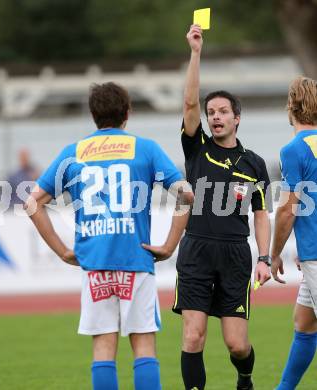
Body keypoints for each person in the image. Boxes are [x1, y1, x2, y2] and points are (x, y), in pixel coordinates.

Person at [24, 82, 194, 390]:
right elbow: (186, 195)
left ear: (93, 115)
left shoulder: (72, 152)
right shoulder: (146, 148)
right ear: (127, 113)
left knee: (103, 347)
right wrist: (170, 245)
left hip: (95, 263)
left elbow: (32, 203)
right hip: (136, 259)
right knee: (143, 346)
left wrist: (64, 251)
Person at [173, 25, 272, 390]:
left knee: (237, 343)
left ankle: (244, 377)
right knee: (193, 336)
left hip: (235, 255)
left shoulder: (254, 164)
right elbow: (188, 104)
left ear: (236, 118)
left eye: (222, 111)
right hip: (197, 251)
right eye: (210, 111)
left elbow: (261, 214)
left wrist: (264, 257)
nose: (214, 116)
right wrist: (196, 53)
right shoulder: (197, 148)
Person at [271, 76, 317, 389]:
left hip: (316, 253)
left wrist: (272, 254)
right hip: (312, 252)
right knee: (305, 324)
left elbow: (288, 209)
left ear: (291, 107)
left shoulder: (293, 150)